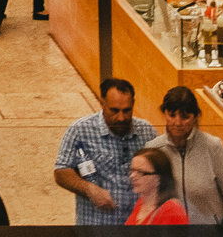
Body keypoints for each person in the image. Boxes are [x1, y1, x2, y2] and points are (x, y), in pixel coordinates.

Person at [56, 78, 156, 225]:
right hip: (97, 230)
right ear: (103, 104)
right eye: (114, 111)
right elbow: (61, 171)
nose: (121, 117)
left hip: (136, 231)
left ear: (133, 104)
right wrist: (89, 189)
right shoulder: (80, 131)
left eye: (127, 111)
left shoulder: (147, 132)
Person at [149, 84, 223, 225]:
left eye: (185, 117)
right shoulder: (154, 149)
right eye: (172, 115)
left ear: (195, 117)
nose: (178, 123)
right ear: (164, 114)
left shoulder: (213, 147)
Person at [125, 146, 189, 224]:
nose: (132, 176)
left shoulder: (171, 211)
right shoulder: (141, 203)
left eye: (141, 172)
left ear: (159, 178)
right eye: (132, 170)